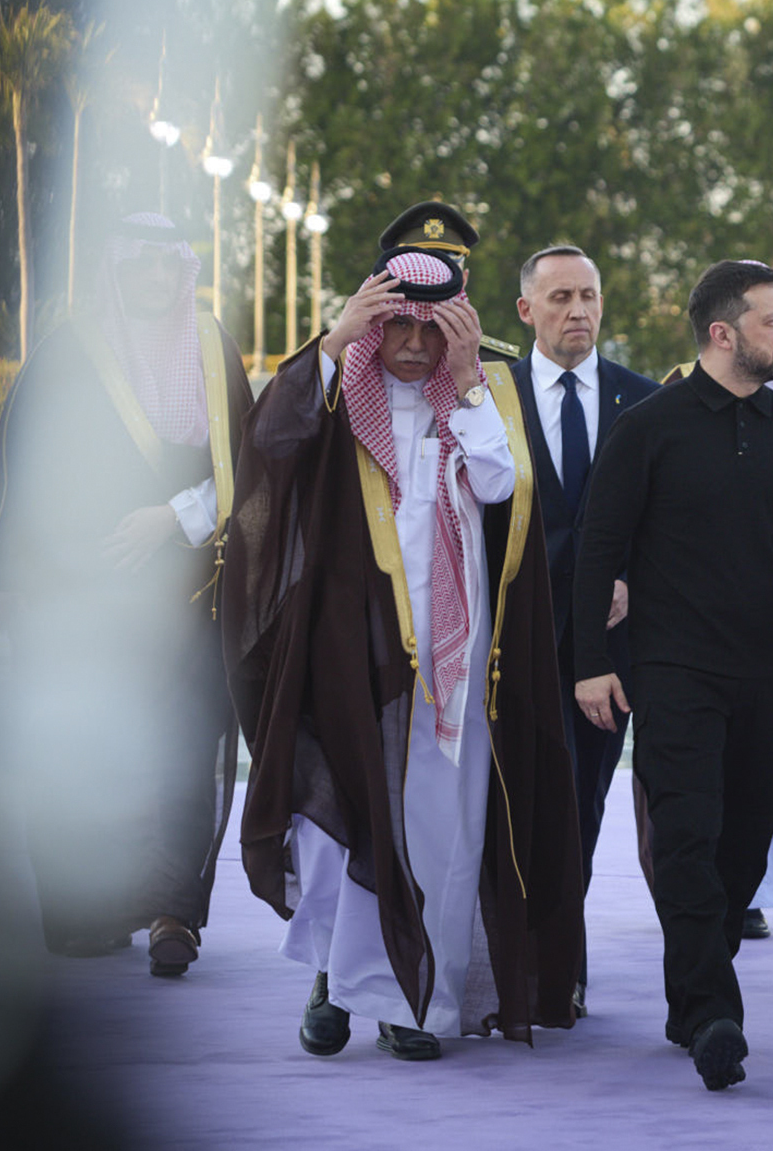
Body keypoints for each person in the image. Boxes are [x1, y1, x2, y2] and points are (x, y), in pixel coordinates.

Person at [224, 249, 582, 1061]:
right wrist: (328, 345)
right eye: (398, 325)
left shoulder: (484, 393)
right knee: (345, 822)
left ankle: (413, 1003)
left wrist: (467, 381)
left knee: (440, 829)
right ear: (373, 322)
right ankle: (335, 980)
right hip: (352, 651)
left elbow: (499, 484)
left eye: (434, 325)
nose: (415, 343)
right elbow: (270, 447)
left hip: (456, 666)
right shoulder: (337, 391)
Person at [572, 260, 773, 1090]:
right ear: (722, 333)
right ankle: (715, 1014)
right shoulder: (648, 426)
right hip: (671, 673)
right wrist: (591, 665)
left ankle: (689, 990)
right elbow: (598, 548)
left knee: (742, 848)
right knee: (687, 837)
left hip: (763, 673)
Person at [0, 213, 250, 975]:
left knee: (184, 751)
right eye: (141, 268)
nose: (157, 282)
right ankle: (85, 909)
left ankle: (174, 915)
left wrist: (171, 519)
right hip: (81, 598)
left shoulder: (211, 347)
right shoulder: (71, 352)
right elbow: (21, 468)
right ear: (115, 271)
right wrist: (5, 574)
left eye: (169, 268)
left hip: (191, 594)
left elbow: (249, 467)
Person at [634, 277, 773, 942]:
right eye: (772, 320)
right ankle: (699, 967)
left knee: (761, 794)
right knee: (687, 811)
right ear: (724, 331)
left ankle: (735, 905)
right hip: (680, 655)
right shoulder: (661, 412)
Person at [509, 244, 659, 1017]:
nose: (579, 311)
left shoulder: (642, 401)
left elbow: (666, 519)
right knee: (527, 800)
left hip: (610, 647)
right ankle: (524, 956)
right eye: (561, 297)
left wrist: (632, 576)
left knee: (584, 801)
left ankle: (559, 958)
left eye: (590, 295)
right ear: (527, 310)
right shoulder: (488, 399)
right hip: (514, 640)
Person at [377, 200, 524, 361]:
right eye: (418, 269)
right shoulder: (364, 356)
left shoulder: (497, 365)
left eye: (443, 274)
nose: (415, 346)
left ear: (463, 280)